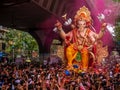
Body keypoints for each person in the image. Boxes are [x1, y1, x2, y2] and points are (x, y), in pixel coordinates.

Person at [55, 6, 107, 71]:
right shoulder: (74, 31)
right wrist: (60, 29)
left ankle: (84, 68)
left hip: (85, 48)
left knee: (84, 51)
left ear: (86, 24)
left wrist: (102, 29)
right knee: (69, 49)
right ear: (77, 24)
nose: (81, 26)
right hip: (75, 47)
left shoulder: (88, 31)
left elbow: (98, 36)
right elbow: (65, 37)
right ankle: (70, 64)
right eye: (79, 24)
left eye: (83, 24)